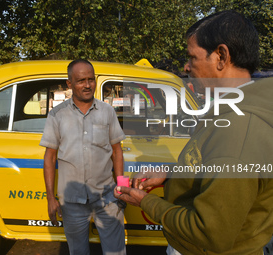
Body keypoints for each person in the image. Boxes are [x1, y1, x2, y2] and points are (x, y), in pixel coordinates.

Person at [114, 10, 273, 255]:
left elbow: (209, 232)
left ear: (221, 56)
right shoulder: (227, 110)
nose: (186, 67)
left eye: (192, 57)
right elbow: (210, 165)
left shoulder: (238, 133)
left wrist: (145, 202)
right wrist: (171, 174)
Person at [40, 59, 126, 255]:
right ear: (69, 84)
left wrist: (121, 186)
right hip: (72, 201)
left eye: (90, 79)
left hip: (107, 197)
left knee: (116, 251)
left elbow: (117, 150)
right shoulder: (57, 115)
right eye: (81, 81)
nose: (87, 85)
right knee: (78, 251)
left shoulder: (107, 112)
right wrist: (50, 198)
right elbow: (50, 157)